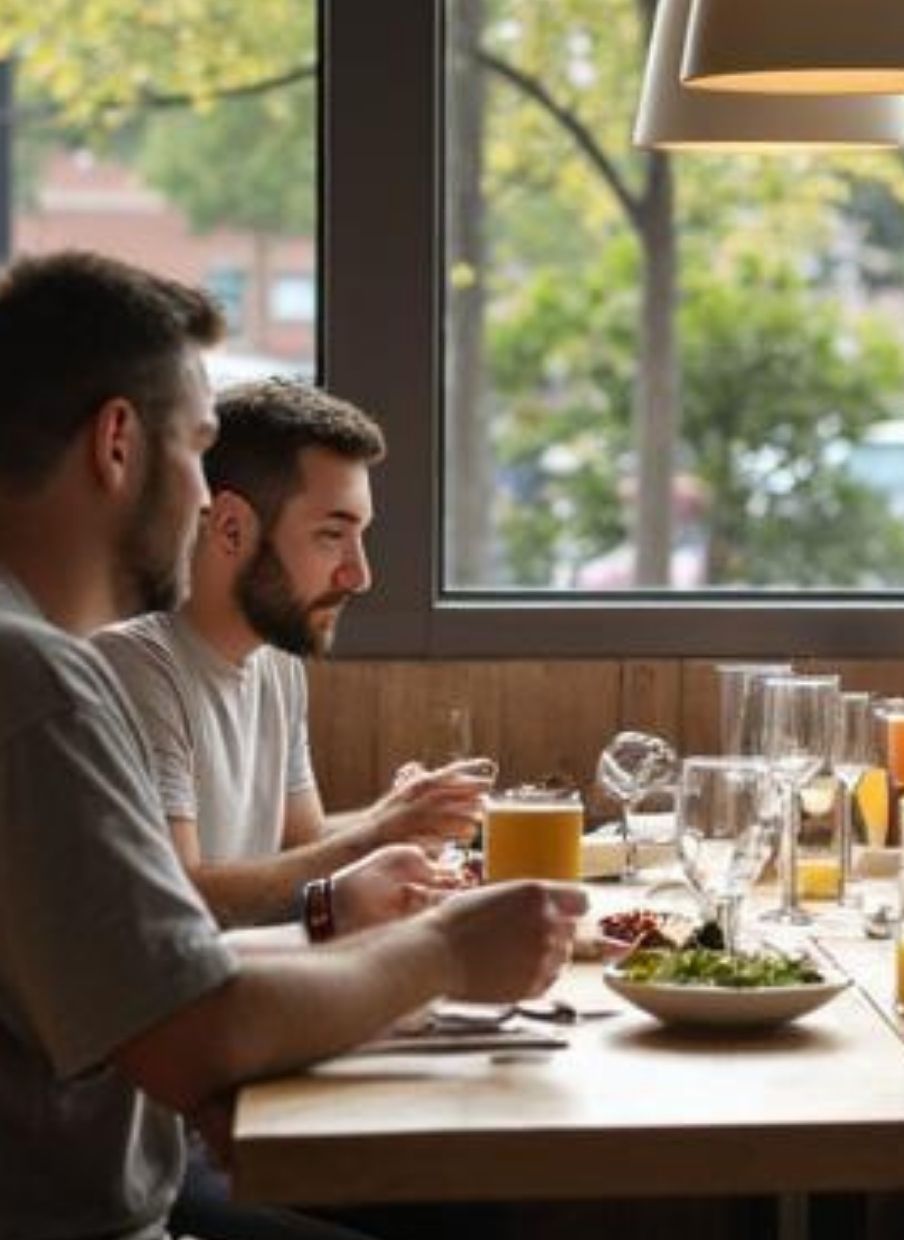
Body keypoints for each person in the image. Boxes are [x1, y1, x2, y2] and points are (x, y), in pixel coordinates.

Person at [0, 249, 583, 1240]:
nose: (200, 499)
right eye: (194, 448)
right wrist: (443, 947)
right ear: (116, 443)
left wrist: (236, 1030)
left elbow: (161, 1001)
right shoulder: (37, 684)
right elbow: (197, 1028)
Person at [95, 379, 485, 934]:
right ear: (231, 528)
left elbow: (300, 848)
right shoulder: (134, 667)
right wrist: (375, 834)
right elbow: (182, 896)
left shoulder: (276, 659)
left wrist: (400, 816)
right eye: (331, 535)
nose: (360, 575)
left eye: (360, 537)